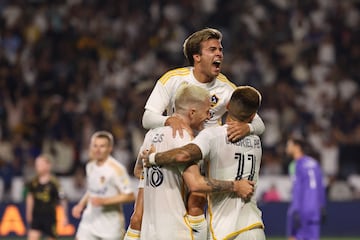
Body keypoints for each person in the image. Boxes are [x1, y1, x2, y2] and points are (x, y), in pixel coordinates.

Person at [125, 27, 265, 240]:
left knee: (196, 201)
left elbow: (259, 122)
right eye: (212, 49)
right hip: (172, 147)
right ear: (197, 57)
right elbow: (147, 118)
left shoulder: (226, 88)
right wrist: (168, 119)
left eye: (220, 49)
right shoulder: (172, 79)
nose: (219, 53)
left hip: (202, 152)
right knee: (139, 214)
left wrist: (248, 127)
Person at [144, 86, 266, 240]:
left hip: (227, 230)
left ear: (227, 106)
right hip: (254, 226)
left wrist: (153, 158)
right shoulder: (256, 141)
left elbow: (183, 155)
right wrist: (250, 127)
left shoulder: (212, 135)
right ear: (253, 115)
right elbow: (259, 127)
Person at [71, 131, 135, 240]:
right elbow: (92, 190)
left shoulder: (116, 169)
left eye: (102, 146)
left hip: (110, 224)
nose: (98, 149)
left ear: (110, 148)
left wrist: (103, 201)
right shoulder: (90, 166)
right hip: (90, 220)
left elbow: (129, 196)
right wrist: (81, 204)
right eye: (95, 146)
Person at [285, 136, 326, 240]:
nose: (287, 148)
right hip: (315, 209)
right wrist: (322, 206)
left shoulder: (295, 165)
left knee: (294, 237)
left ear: (297, 147)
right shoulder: (314, 163)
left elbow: (297, 189)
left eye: (289, 145)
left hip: (301, 209)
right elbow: (321, 187)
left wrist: (294, 210)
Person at [26, 154, 68, 240]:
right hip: (36, 217)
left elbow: (63, 199)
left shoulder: (55, 183)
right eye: (36, 165)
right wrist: (29, 213)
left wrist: (64, 216)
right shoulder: (33, 182)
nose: (37, 167)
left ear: (48, 166)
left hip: (50, 217)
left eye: (40, 165)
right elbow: (30, 198)